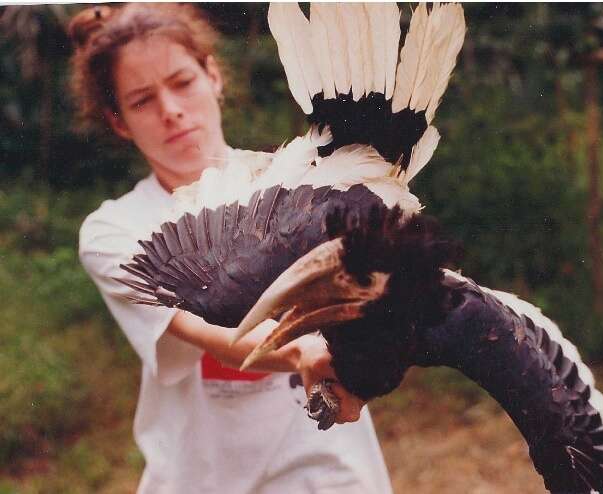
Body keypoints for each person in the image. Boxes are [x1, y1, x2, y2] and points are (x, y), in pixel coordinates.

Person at [71, 4, 393, 493]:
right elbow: (203, 327)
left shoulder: (308, 185)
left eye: (182, 82)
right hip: (201, 476)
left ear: (213, 75)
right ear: (118, 122)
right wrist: (302, 347)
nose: (171, 110)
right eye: (142, 101)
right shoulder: (115, 230)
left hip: (326, 471)